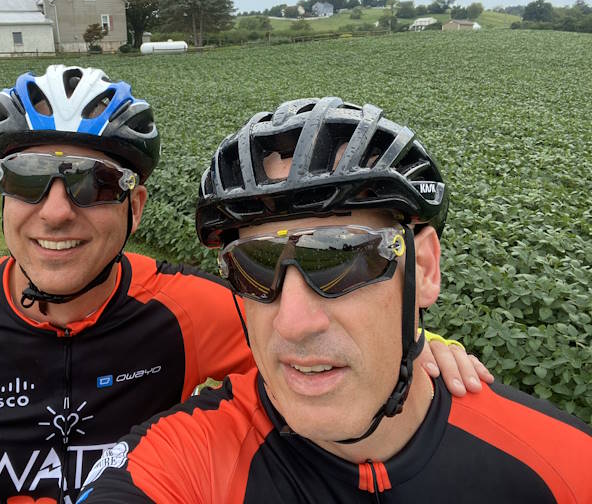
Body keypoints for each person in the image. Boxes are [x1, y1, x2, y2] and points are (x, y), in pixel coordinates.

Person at [0, 70, 489, 504]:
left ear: (136, 209)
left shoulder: (194, 310)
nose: (53, 212)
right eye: (26, 179)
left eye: (93, 184)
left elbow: (320, 341)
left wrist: (420, 343)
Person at [79, 97, 592, 503]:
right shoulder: (184, 457)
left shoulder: (568, 467)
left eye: (340, 260)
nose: (294, 323)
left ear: (425, 269)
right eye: (254, 266)